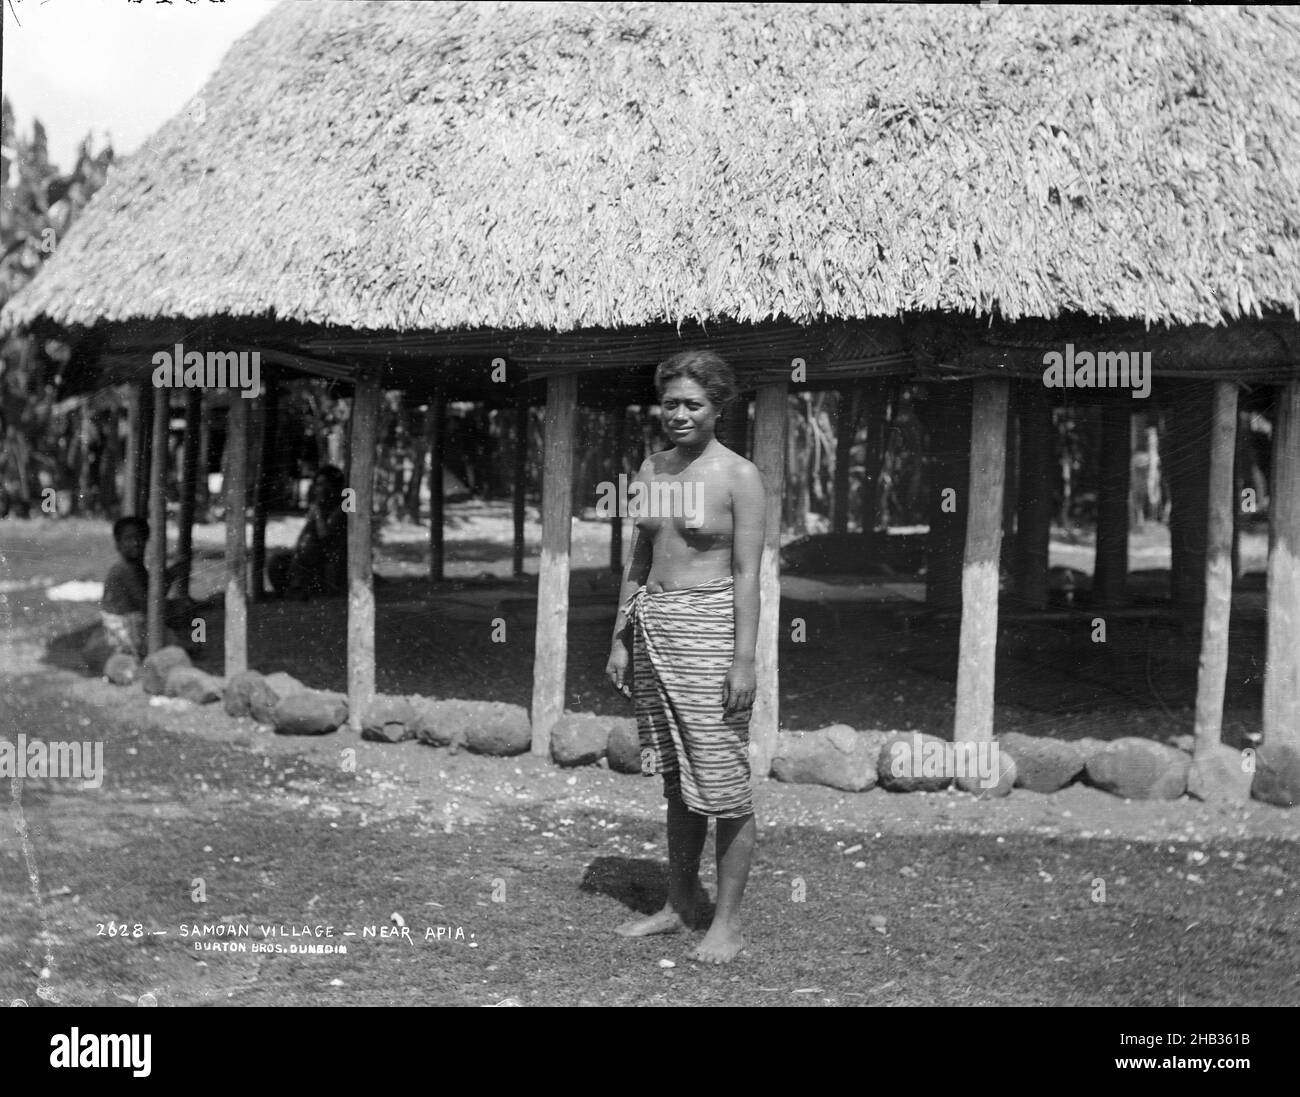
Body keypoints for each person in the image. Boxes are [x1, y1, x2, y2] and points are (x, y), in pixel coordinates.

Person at [605, 349, 765, 964]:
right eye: (670, 402)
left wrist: (743, 660)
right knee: (677, 780)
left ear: (718, 406)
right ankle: (679, 903)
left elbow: (749, 574)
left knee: (723, 782)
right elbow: (639, 561)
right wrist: (621, 637)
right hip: (655, 630)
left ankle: (726, 924)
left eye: (692, 404)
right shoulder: (652, 469)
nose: (679, 414)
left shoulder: (738, 477)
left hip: (711, 632)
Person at [99, 515, 190, 658]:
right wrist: (172, 575)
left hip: (133, 623)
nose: (135, 543)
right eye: (128, 539)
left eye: (139, 538)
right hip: (124, 631)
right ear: (118, 544)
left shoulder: (135, 566)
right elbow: (149, 603)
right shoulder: (124, 570)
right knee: (178, 641)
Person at [267, 465, 347, 599]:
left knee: (304, 559)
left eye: (322, 484)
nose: (317, 489)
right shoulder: (320, 506)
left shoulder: (341, 509)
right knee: (276, 561)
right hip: (304, 556)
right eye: (317, 484)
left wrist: (318, 515)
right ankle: (286, 592)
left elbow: (325, 537)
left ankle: (298, 591)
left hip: (321, 558)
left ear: (332, 486)